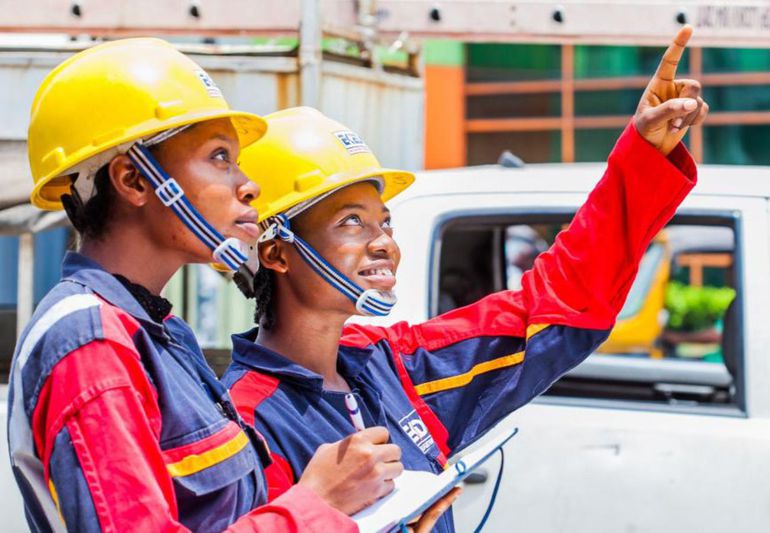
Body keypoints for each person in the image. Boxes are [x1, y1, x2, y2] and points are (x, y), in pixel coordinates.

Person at [221, 26, 707, 532]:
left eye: (384, 221)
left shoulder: (391, 364)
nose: (384, 240)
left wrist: (642, 158)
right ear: (277, 252)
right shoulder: (243, 420)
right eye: (352, 222)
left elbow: (554, 306)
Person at [7, 38, 413, 532]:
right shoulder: (92, 343)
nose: (249, 185)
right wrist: (315, 505)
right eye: (220, 157)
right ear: (134, 179)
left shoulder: (159, 333)